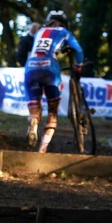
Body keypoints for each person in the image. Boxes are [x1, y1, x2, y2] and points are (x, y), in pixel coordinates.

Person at [24, 10, 84, 153]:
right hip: (50, 68)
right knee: (52, 111)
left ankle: (33, 120)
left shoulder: (40, 31)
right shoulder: (64, 32)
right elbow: (79, 50)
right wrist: (78, 68)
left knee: (34, 107)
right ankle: (42, 149)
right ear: (64, 23)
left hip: (30, 67)